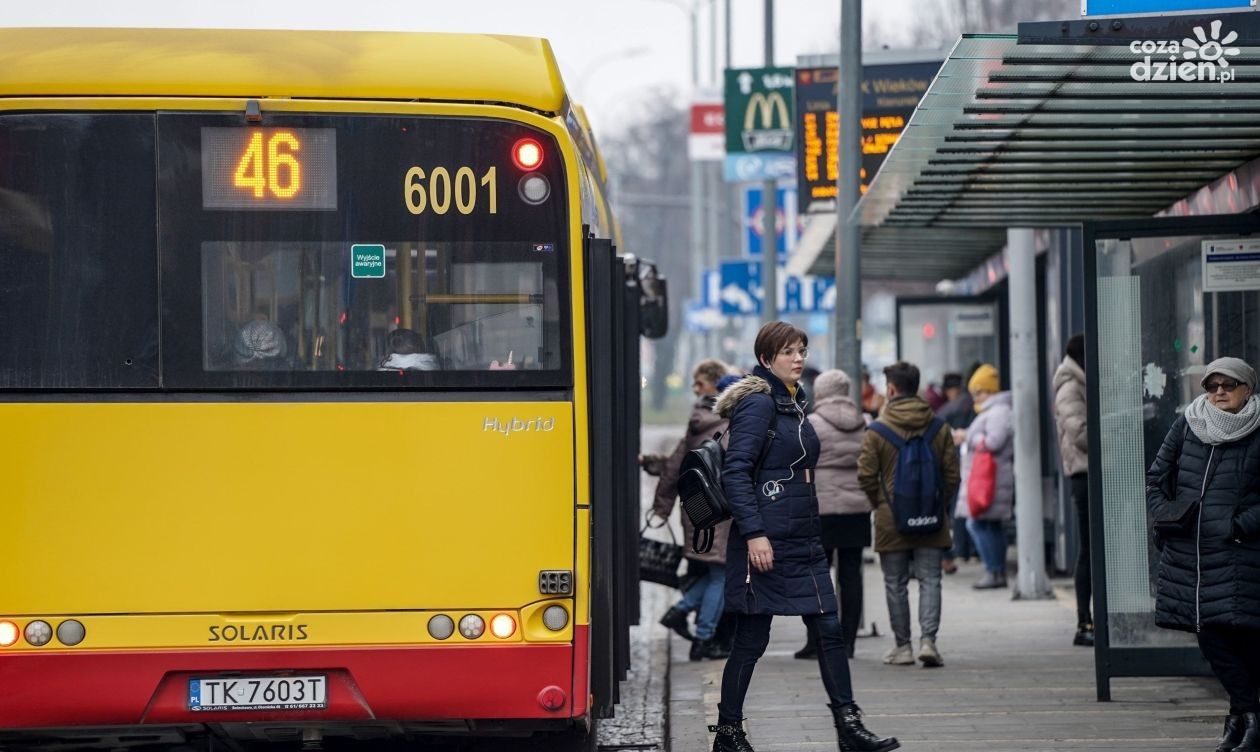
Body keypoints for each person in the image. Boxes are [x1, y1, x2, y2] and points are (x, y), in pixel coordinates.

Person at [708, 321, 898, 752]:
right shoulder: (758, 404)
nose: (798, 359)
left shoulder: (793, 403)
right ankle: (728, 733)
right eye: (788, 352)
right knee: (752, 639)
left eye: (802, 351)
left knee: (830, 630)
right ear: (765, 359)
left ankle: (849, 728)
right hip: (767, 542)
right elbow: (736, 471)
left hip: (804, 538)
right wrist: (754, 534)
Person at [1147, 357, 1260, 752]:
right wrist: (1167, 517)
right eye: (1212, 386)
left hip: (1241, 552)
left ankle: (1242, 721)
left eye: (1228, 385)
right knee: (1211, 635)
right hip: (1192, 555)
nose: (1219, 393)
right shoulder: (1189, 424)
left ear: (1248, 388)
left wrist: (1240, 524)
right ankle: (1248, 717)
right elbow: (1156, 478)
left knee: (1243, 637)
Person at [858, 361, 960, 669]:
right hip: (931, 514)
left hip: (892, 519)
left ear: (890, 390)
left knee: (895, 582)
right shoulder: (939, 427)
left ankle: (902, 647)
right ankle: (929, 641)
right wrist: (939, 506)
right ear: (915, 388)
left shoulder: (877, 430)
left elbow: (865, 475)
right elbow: (952, 474)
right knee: (931, 579)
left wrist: (881, 505)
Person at [652, 358, 735, 661]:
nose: (695, 390)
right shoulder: (729, 421)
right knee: (721, 575)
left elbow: (675, 464)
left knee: (717, 572)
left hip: (698, 509)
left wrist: (662, 506)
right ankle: (703, 636)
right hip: (723, 508)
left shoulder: (698, 418)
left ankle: (680, 611)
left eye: (700, 384)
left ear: (716, 384)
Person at [795, 369, 871, 662]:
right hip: (857, 508)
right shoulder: (865, 423)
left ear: (822, 392)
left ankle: (817, 641)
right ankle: (848, 642)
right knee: (852, 576)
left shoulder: (812, 424)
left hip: (820, 508)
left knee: (815, 576)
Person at [1053, 334, 1093, 647]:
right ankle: (1084, 621)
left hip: (1093, 471)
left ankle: (1091, 618)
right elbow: (1079, 432)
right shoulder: (1070, 385)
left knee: (1094, 548)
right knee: (1089, 548)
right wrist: (1114, 430)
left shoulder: (1080, 380)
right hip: (1085, 473)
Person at [964, 364, 1015, 590]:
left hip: (991, 478)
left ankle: (993, 569)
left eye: (980, 392)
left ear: (990, 390)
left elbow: (993, 441)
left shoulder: (998, 411)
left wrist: (969, 439)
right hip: (992, 476)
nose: (977, 397)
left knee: (975, 524)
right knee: (992, 526)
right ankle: (997, 571)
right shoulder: (995, 410)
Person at [937, 372, 976, 573]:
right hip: (972, 462)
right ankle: (966, 549)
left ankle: (958, 550)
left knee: (955, 509)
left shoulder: (945, 410)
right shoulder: (972, 405)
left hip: (953, 462)